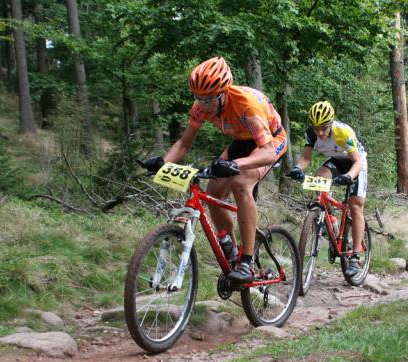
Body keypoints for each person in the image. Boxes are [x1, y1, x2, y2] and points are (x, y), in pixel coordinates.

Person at [142, 57, 288, 283]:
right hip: (242, 141)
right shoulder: (200, 107)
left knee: (241, 184)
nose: (203, 105)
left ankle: (247, 263)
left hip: (271, 142)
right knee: (213, 194)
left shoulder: (246, 105)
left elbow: (267, 152)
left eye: (209, 100)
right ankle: (231, 252)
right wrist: (163, 162)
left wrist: (236, 165)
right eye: (198, 98)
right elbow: (184, 143)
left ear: (224, 93)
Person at [288, 101, 368, 279]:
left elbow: (357, 162)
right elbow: (306, 158)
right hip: (337, 160)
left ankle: (355, 257)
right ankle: (329, 219)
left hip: (356, 161)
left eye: (324, 128)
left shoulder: (343, 132)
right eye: (316, 128)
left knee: (355, 206)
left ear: (331, 123)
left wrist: (349, 176)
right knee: (320, 176)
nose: (320, 133)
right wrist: (297, 169)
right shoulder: (311, 133)